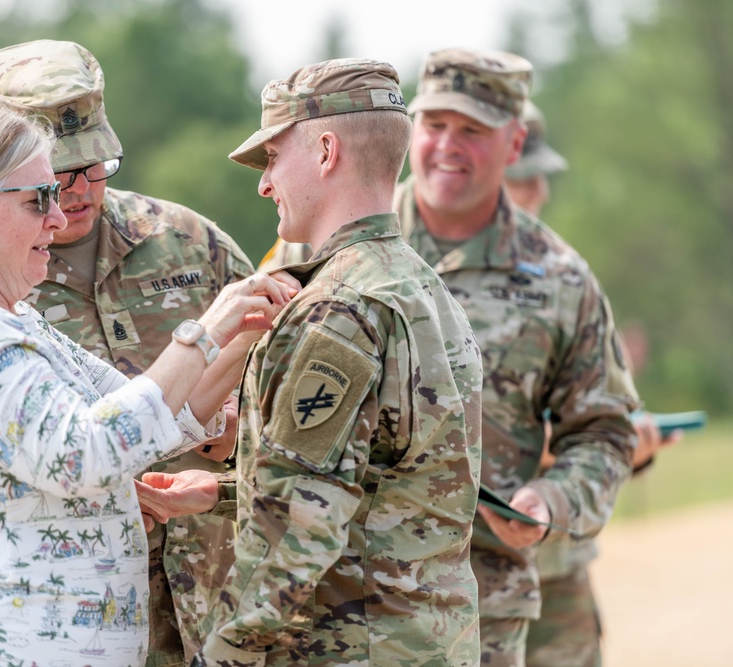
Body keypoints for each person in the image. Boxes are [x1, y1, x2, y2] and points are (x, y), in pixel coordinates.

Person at [0, 102, 292, 666]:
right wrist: (204, 331)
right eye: (38, 199)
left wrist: (240, 335)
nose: (58, 219)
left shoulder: (11, 317)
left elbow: (140, 418)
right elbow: (86, 452)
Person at [138, 58, 484, 666]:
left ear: (326, 151)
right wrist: (225, 492)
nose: (264, 185)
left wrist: (219, 658)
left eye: (272, 158)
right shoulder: (419, 286)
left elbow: (297, 533)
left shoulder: (339, 310)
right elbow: (382, 484)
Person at [395, 48, 638, 667]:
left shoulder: (560, 280)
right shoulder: (329, 240)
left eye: (472, 130)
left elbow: (605, 433)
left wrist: (552, 502)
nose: (448, 145)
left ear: (514, 142)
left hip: (486, 611)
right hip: (346, 608)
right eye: (435, 125)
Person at [502, 102, 681, 667]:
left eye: (541, 178)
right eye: (526, 179)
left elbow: (595, 416)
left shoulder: (559, 276)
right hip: (452, 573)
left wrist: (629, 446)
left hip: (557, 566)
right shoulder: (410, 277)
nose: (541, 194)